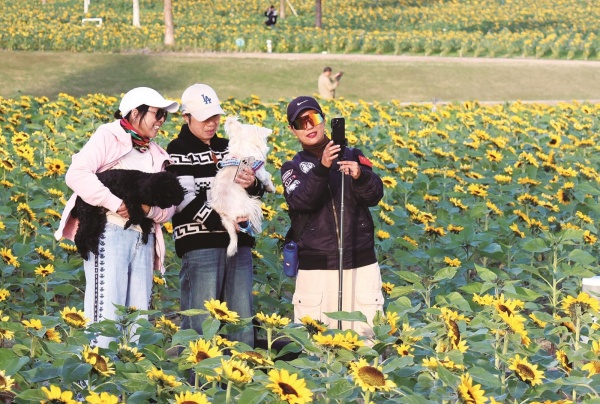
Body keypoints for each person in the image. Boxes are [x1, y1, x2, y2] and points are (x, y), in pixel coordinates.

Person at [54, 87, 180, 347]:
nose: (161, 121)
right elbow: (76, 174)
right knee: (106, 316)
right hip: (109, 232)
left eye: (164, 116)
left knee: (138, 321)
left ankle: (128, 373)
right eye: (157, 114)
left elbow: (169, 208)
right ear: (134, 113)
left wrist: (145, 211)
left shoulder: (158, 154)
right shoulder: (108, 136)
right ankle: (95, 373)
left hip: (143, 238)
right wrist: (117, 203)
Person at [166, 84, 265, 348]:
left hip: (239, 242)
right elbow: (183, 198)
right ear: (186, 117)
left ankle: (239, 369)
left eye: (215, 117)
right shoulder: (177, 149)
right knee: (200, 322)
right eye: (204, 118)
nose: (211, 123)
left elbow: (255, 191)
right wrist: (223, 221)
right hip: (200, 244)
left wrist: (252, 183)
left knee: (242, 319)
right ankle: (195, 374)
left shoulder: (229, 147)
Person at [281, 96, 384, 338]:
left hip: (361, 264)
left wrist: (360, 176)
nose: (309, 126)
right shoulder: (291, 167)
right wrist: (323, 167)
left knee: (367, 341)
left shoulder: (353, 155)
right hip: (316, 269)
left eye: (313, 118)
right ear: (292, 130)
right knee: (315, 346)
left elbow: (375, 195)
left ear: (324, 120)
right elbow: (302, 202)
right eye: (300, 122)